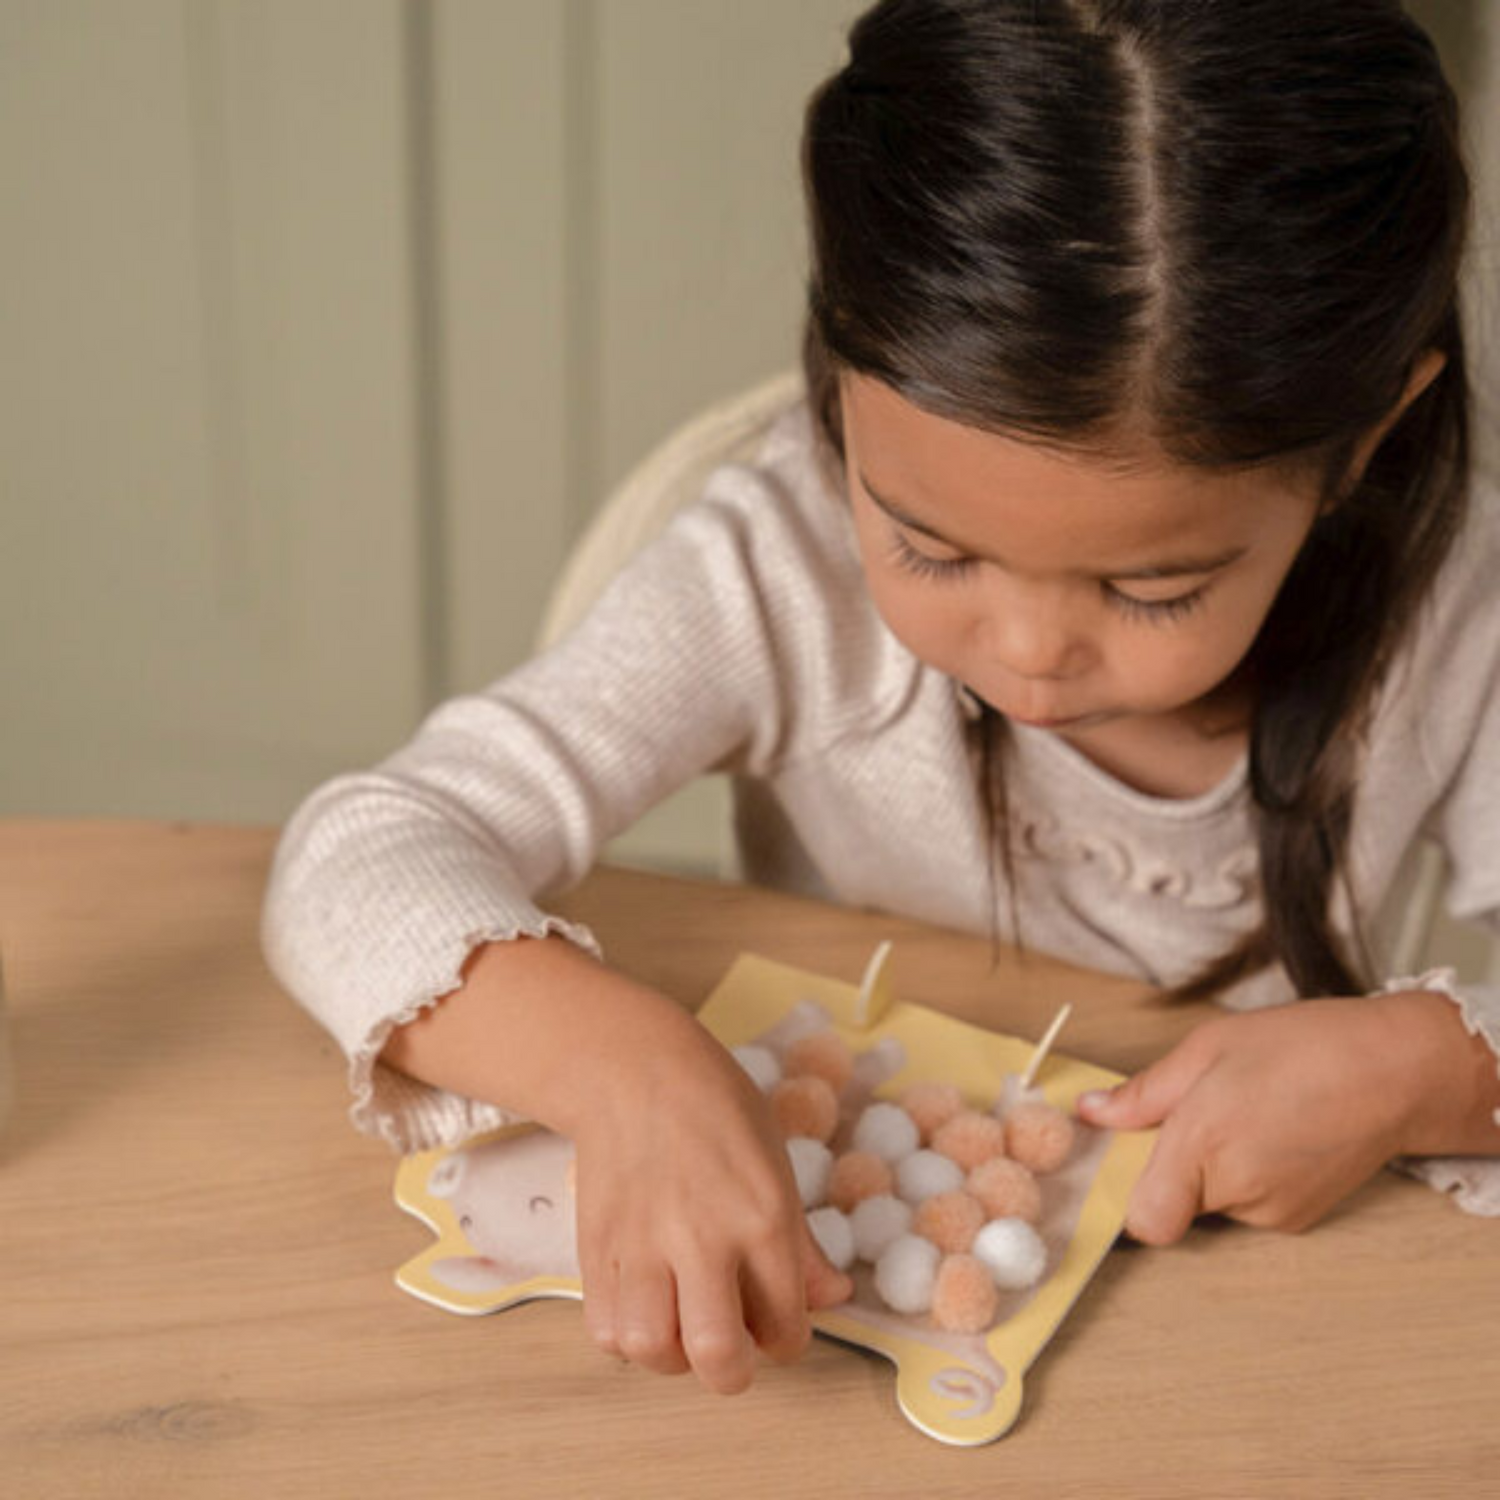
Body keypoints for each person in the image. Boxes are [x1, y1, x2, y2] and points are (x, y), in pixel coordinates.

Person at [262, 0, 1500, 1397]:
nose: (1030, 653)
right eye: (931, 545)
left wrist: (1434, 1068)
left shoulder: (1461, 618)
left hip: (1254, 1361)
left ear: (1368, 440)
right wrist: (626, 1069)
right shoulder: (779, 564)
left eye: (1154, 591)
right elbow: (355, 855)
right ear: (848, 386)